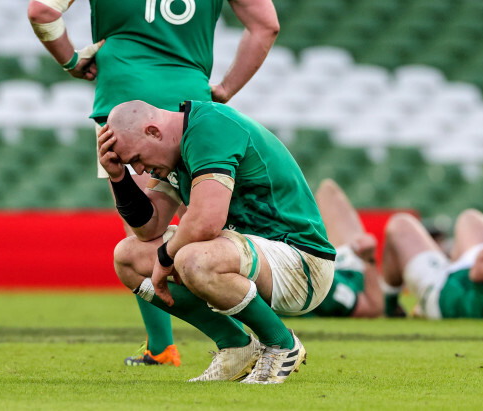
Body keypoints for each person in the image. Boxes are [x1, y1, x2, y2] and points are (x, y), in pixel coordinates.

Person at [27, 0, 280, 366]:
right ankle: (269, 324)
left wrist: (71, 60)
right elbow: (266, 25)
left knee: (143, 235)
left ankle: (168, 346)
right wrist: (224, 89)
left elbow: (41, 11)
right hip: (192, 102)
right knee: (215, 226)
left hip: (124, 102)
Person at [98, 100, 336, 383]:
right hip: (250, 256)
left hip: (302, 264)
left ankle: (281, 344)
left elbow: (205, 223)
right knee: (128, 256)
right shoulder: (175, 151)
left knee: (192, 259)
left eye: (135, 158)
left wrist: (164, 259)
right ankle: (235, 346)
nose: (138, 169)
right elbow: (148, 229)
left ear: (153, 131)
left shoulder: (209, 128)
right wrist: (118, 177)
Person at [381, 209, 483, 319]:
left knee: (400, 224)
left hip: (441, 289)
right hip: (471, 276)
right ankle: (450, 258)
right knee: (469, 218)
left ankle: (390, 306)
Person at [305, 179, 383, 318]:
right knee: (401, 226)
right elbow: (373, 307)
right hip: (346, 274)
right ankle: (392, 300)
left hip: (328, 266)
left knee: (327, 190)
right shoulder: (317, 282)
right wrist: (368, 260)